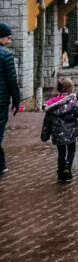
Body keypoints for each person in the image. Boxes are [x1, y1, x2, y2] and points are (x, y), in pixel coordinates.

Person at [41, 76, 78, 183]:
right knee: (71, 150)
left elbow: (47, 122)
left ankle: (61, 175)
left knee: (61, 153)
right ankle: (67, 166)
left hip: (57, 134)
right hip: (71, 133)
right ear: (70, 89)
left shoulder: (51, 104)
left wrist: (44, 136)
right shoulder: (73, 102)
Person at [0, 23, 21, 175]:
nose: (9, 40)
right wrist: (16, 100)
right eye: (8, 37)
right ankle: (0, 165)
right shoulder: (5, 55)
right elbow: (11, 80)